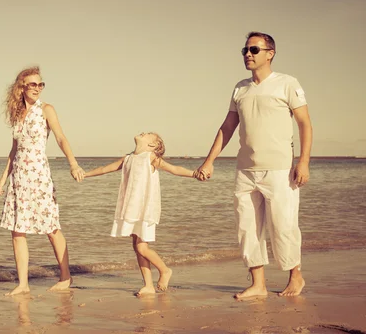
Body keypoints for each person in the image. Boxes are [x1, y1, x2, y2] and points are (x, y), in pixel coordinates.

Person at [195, 31, 313, 299]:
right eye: (245, 50)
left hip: (280, 169)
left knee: (283, 226)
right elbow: (227, 126)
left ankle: (295, 277)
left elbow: (305, 123)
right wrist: (209, 161)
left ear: (269, 53)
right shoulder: (240, 88)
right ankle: (258, 284)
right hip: (245, 170)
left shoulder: (287, 83)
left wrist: (303, 162)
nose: (248, 54)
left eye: (254, 50)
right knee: (247, 227)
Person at [0, 66, 85, 296]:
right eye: (32, 84)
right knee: (17, 230)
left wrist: (73, 163)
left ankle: (65, 277)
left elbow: (61, 138)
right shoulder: (17, 114)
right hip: (18, 178)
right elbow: (14, 148)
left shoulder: (46, 110)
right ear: (21, 88)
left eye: (40, 84)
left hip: (39, 176)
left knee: (51, 227)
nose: (37, 88)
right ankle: (23, 284)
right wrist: (4, 177)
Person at [84, 132, 198, 296]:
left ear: (153, 145)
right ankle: (148, 286)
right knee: (137, 247)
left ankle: (165, 270)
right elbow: (104, 169)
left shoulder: (150, 157)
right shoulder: (128, 158)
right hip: (132, 207)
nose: (143, 132)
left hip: (145, 208)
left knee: (141, 247)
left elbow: (174, 169)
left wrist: (194, 174)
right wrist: (85, 174)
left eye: (148, 134)